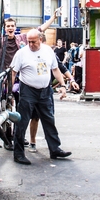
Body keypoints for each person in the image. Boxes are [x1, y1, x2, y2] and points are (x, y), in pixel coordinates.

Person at [10, 29, 72, 165]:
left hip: (45, 91)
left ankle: (55, 149)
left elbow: (55, 69)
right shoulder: (21, 54)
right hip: (28, 91)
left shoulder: (48, 51)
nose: (31, 44)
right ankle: (18, 153)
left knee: (49, 120)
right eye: (29, 42)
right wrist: (10, 92)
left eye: (34, 42)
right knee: (22, 122)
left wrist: (62, 85)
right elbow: (13, 73)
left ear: (41, 40)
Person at [28, 34, 80, 153]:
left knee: (49, 118)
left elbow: (61, 68)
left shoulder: (50, 54)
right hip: (33, 90)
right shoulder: (30, 54)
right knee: (35, 118)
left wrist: (71, 80)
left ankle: (54, 147)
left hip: (47, 89)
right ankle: (32, 141)